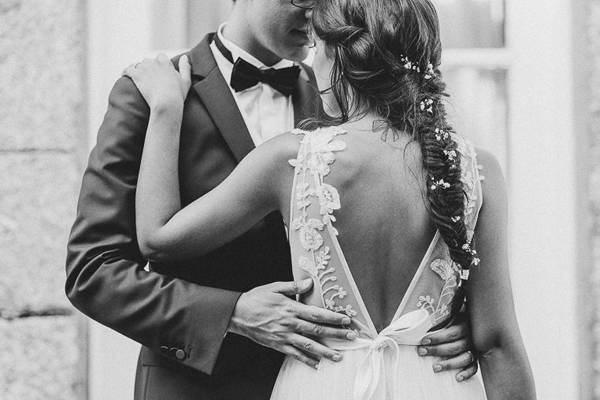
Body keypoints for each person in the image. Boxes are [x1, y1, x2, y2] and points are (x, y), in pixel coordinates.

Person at [66, 0, 479, 399]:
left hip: (327, 382)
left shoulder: (342, 89)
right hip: (197, 388)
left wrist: (443, 322)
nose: (317, 13)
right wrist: (231, 313)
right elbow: (94, 270)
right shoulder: (154, 94)